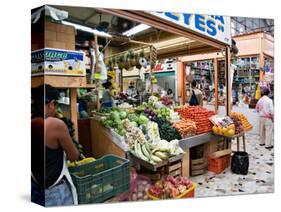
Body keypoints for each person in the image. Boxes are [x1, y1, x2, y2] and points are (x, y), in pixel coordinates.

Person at [31, 84, 80, 206]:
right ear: (51, 103)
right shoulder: (54, 125)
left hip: (34, 188)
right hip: (54, 193)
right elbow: (73, 156)